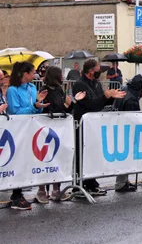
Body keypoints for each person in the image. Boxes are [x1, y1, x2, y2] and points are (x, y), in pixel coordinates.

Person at [72, 59, 126, 196]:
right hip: (82, 123)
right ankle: (79, 184)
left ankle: (91, 182)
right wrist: (105, 96)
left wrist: (111, 97)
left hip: (93, 124)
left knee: (91, 154)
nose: (100, 73)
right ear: (90, 71)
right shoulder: (79, 85)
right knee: (81, 154)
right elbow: (90, 104)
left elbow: (100, 103)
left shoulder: (95, 84)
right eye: (98, 70)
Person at [6, 61, 50, 210]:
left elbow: (35, 110)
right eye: (32, 72)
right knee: (18, 160)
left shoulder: (32, 88)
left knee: (28, 160)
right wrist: (34, 106)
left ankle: (24, 190)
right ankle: (16, 195)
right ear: (25, 74)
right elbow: (15, 112)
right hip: (18, 130)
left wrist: (38, 104)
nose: (34, 75)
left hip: (32, 128)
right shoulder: (12, 90)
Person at [40, 66, 86, 201]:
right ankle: (41, 190)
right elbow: (50, 108)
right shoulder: (45, 90)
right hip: (46, 128)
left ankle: (56, 190)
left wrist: (73, 102)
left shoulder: (60, 90)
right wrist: (65, 106)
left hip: (59, 128)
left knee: (57, 159)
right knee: (45, 160)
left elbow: (65, 109)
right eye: (60, 75)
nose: (63, 77)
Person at [113, 74, 142, 192]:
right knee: (126, 157)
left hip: (120, 127)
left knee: (124, 156)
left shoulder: (125, 90)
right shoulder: (132, 99)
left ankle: (123, 181)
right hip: (127, 130)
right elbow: (134, 118)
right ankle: (121, 183)